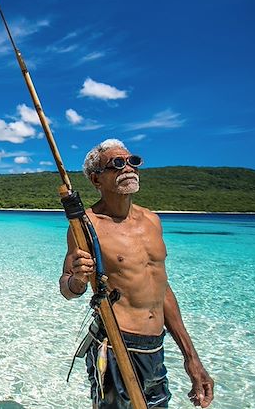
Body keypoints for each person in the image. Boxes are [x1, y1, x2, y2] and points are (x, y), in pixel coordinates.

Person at [60, 139, 214, 408]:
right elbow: (67, 288)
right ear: (97, 179)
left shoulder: (152, 221)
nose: (128, 168)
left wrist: (191, 357)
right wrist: (78, 279)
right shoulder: (85, 225)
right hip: (117, 345)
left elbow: (161, 290)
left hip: (155, 347)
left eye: (133, 161)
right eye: (117, 164)